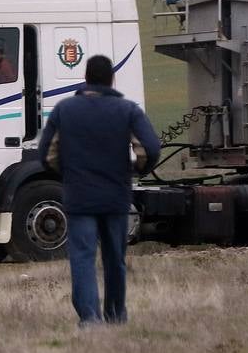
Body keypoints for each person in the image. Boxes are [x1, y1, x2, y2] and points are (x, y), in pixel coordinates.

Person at [39, 54, 160, 326]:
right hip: (116, 196)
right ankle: (116, 315)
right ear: (111, 79)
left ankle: (90, 318)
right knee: (115, 258)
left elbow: (46, 154)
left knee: (82, 258)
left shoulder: (64, 110)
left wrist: (67, 172)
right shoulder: (128, 110)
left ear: (86, 78)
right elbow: (150, 147)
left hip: (79, 196)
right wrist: (136, 168)